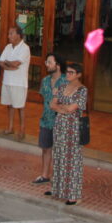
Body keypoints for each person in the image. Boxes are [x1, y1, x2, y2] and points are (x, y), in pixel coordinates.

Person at [48, 63, 87, 205]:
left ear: (79, 74)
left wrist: (61, 108)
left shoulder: (82, 90)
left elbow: (72, 108)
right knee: (59, 156)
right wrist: (63, 109)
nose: (68, 75)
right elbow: (52, 104)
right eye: (67, 72)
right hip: (59, 126)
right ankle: (58, 189)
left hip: (72, 128)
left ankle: (73, 194)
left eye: (71, 72)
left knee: (72, 160)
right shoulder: (63, 87)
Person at [32, 53, 67, 185]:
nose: (47, 64)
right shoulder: (45, 80)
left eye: (49, 62)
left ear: (58, 65)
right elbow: (43, 98)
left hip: (61, 121)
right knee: (46, 148)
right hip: (46, 120)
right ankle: (44, 174)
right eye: (46, 62)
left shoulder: (66, 81)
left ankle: (59, 177)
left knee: (60, 150)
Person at [0, 26, 31, 140]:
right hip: (8, 81)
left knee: (20, 106)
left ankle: (22, 130)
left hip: (19, 82)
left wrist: (7, 63)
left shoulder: (25, 48)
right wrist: (9, 65)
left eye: (11, 33)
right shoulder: (8, 47)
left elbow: (16, 64)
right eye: (9, 33)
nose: (9, 36)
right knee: (10, 105)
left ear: (18, 35)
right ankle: (10, 127)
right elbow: (0, 62)